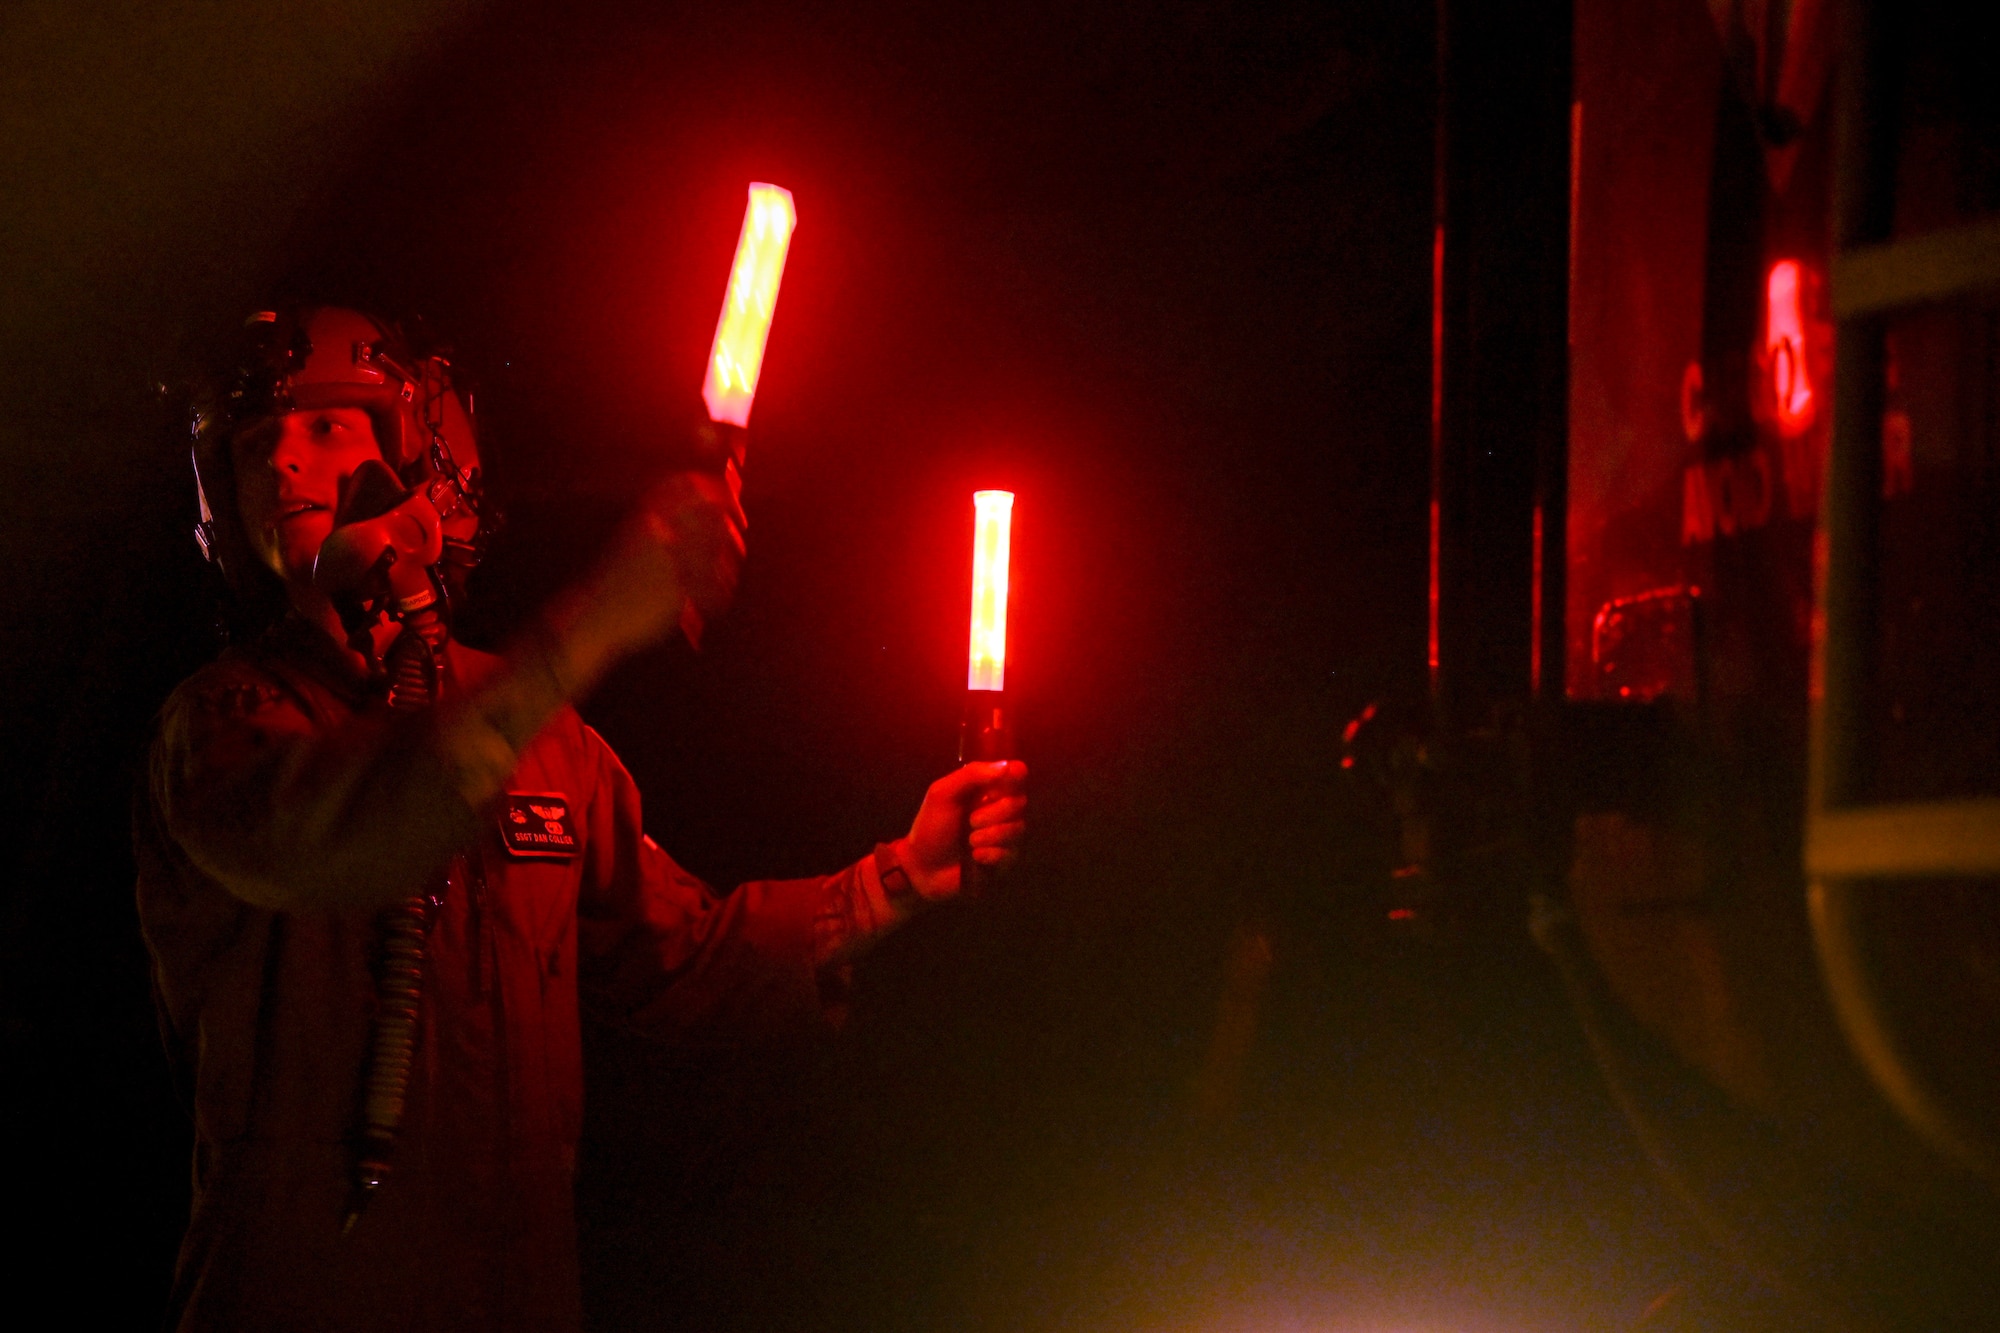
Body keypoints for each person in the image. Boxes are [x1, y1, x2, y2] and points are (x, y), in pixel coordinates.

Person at [135, 307, 1027, 1332]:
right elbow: (347, 832)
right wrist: (598, 619)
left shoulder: (546, 743)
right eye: (255, 446)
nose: (284, 464)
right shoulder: (221, 725)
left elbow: (680, 956)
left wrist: (896, 876)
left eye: (327, 429)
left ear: (426, 465)